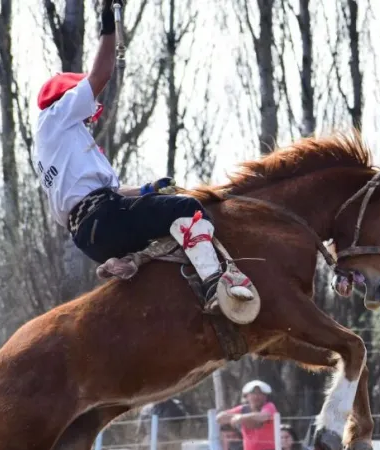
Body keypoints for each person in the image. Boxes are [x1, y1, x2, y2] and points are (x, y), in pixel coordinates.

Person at [31, 0, 257, 322]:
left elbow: (111, 193)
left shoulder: (59, 147)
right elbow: (101, 73)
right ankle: (213, 284)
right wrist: (108, 21)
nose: (91, 116)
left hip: (91, 236)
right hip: (104, 217)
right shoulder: (55, 116)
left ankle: (126, 261)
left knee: (165, 233)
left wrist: (149, 189)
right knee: (186, 210)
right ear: (65, 96)